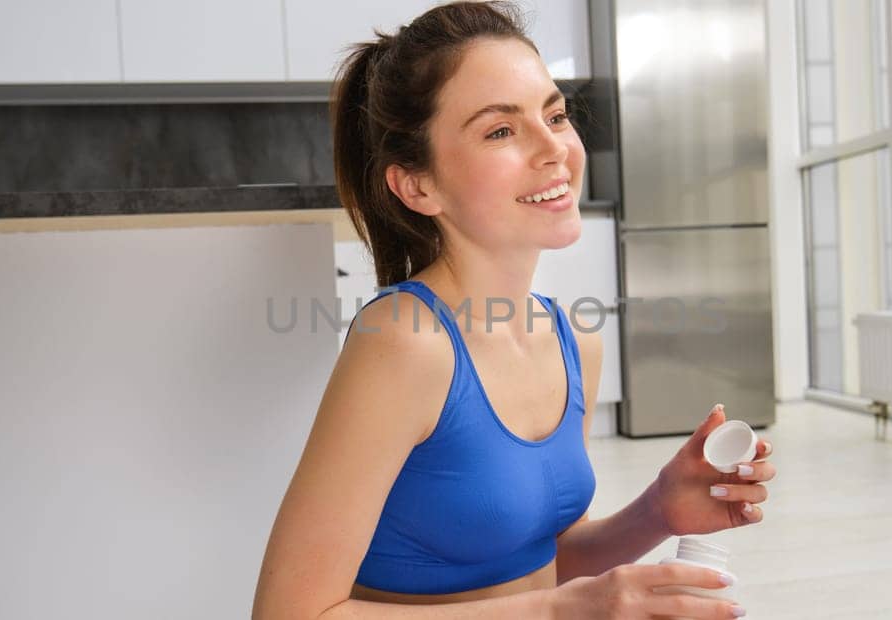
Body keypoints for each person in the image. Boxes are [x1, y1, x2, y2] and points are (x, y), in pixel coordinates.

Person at [252, 3, 775, 618]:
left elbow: (545, 562)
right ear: (418, 186)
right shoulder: (402, 341)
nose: (554, 147)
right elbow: (289, 613)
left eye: (555, 115)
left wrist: (659, 509)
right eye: (501, 130)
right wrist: (556, 612)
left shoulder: (574, 339)